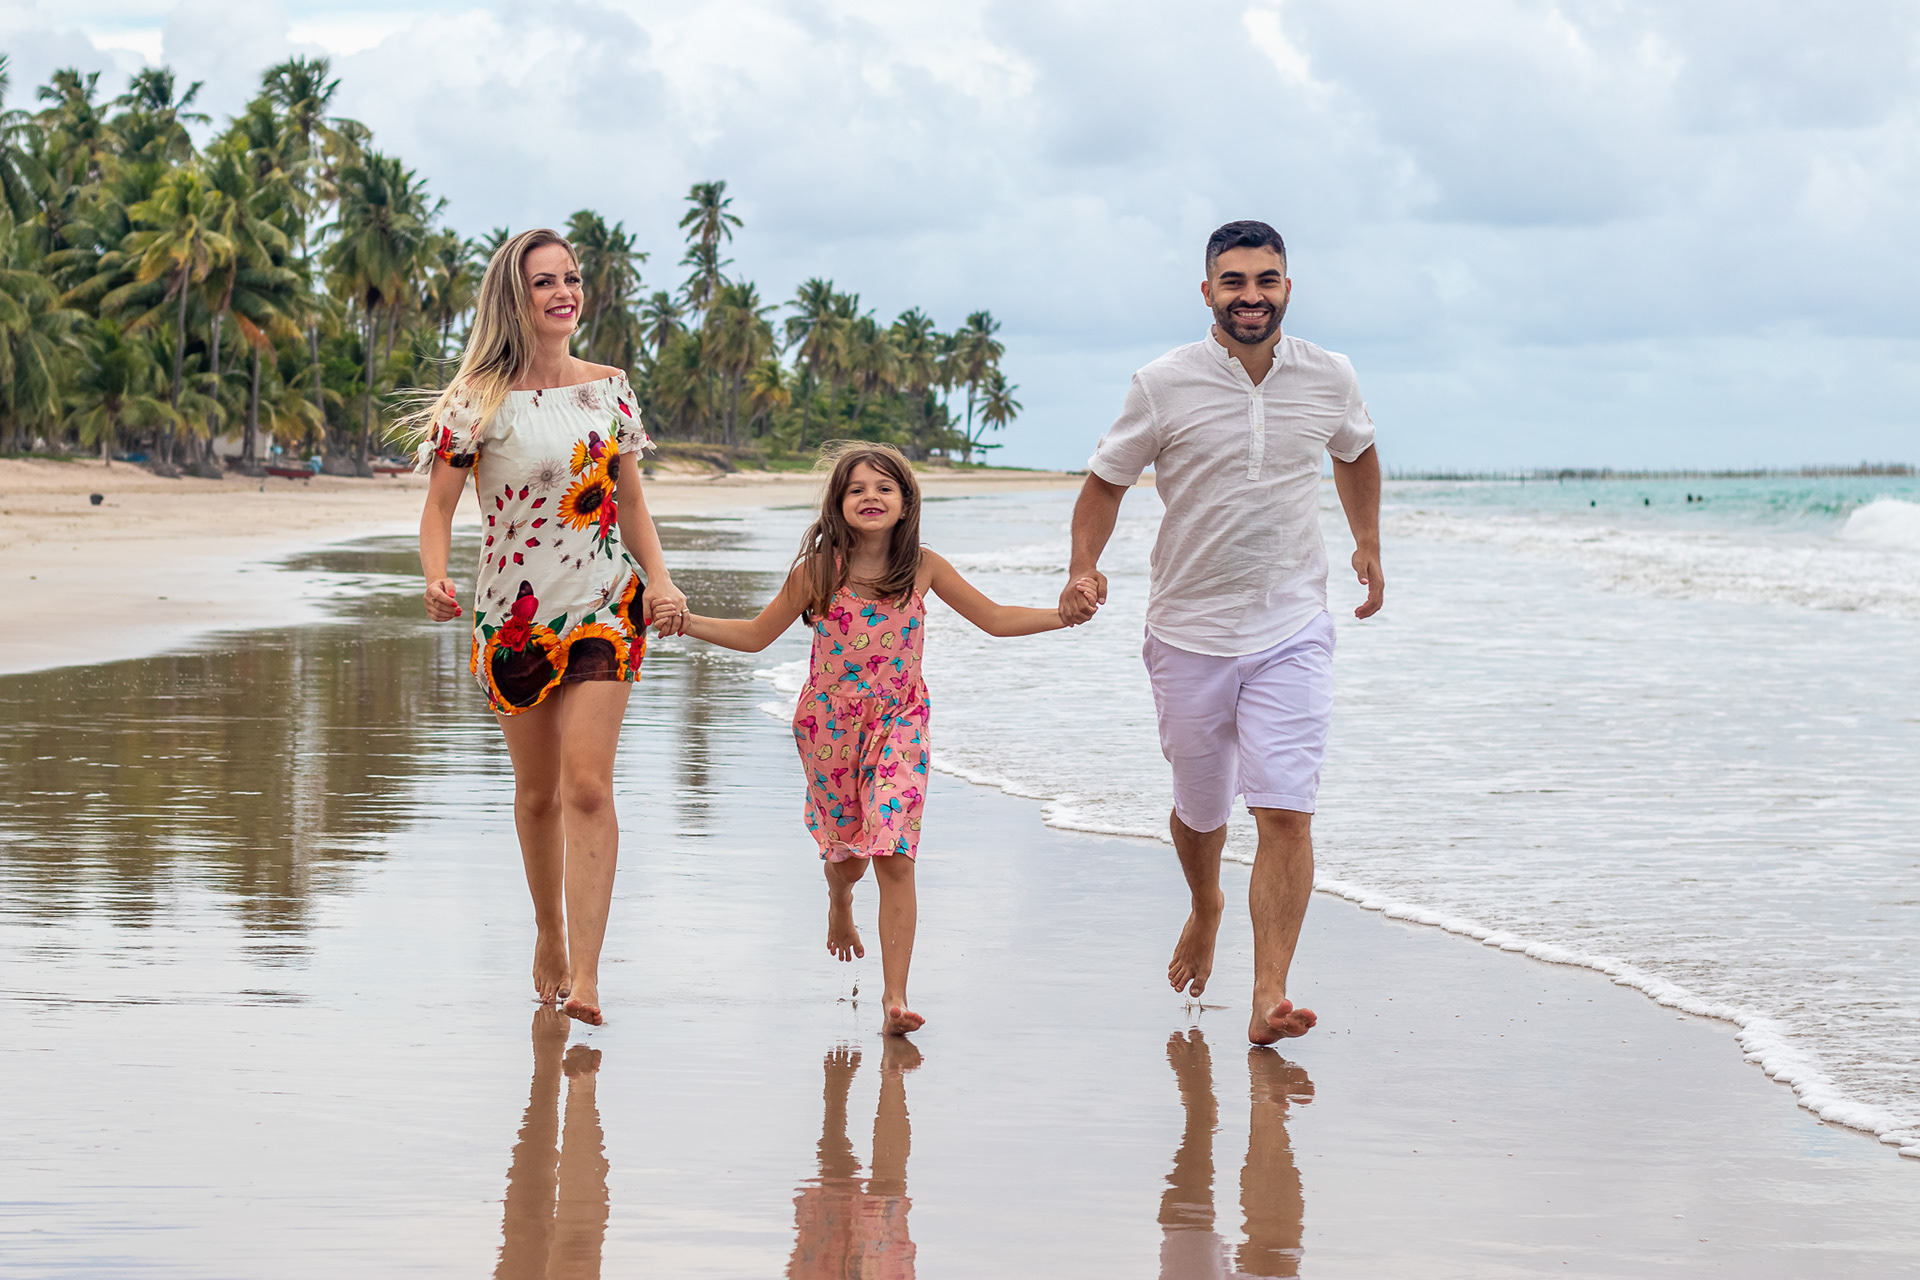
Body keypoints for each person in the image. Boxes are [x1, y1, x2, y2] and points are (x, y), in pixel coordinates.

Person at [1059, 220, 1383, 1046]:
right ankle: (1205, 904)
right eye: (1233, 281)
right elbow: (1106, 482)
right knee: (1201, 811)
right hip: (1188, 630)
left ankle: (1269, 993)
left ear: (1287, 288)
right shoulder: (1162, 384)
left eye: (1266, 280)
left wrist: (1368, 542)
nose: (1251, 296)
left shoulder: (1331, 375)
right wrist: (1083, 566)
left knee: (1286, 810)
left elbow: (1356, 451)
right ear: (1207, 291)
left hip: (1293, 624)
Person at [680, 444, 1095, 1036]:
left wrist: (1063, 615)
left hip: (900, 723)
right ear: (838, 504)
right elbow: (754, 635)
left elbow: (995, 618)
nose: (870, 497)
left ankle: (894, 998)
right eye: (856, 489)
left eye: (884, 488)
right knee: (849, 858)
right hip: (828, 729)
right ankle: (840, 901)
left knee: (893, 851)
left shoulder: (923, 567)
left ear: (906, 503)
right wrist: (684, 621)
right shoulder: (817, 572)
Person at [414, 227, 686, 1027]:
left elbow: (629, 502)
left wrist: (661, 579)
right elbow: (437, 509)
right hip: (516, 619)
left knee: (588, 786)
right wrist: (435, 574)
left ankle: (589, 978)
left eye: (571, 278)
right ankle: (549, 930)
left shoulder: (610, 389)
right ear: (515, 297)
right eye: (545, 282)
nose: (564, 292)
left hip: (606, 603)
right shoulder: (476, 400)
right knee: (537, 796)